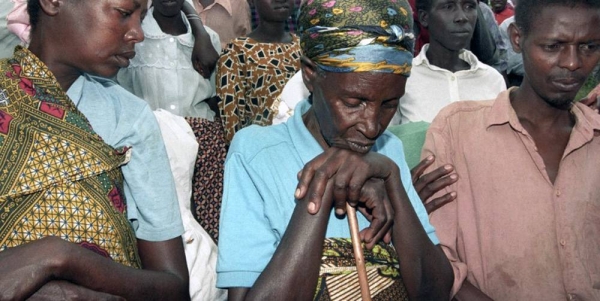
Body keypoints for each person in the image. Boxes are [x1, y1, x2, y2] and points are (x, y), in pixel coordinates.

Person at [216, 0, 454, 300]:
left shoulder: (388, 151)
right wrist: (326, 181)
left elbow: (435, 292)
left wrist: (391, 177)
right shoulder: (255, 153)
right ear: (310, 74)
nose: (371, 127)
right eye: (354, 103)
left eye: (389, 105)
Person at [0, 0, 190, 299]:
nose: (138, 34)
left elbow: (174, 287)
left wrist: (60, 258)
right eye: (125, 13)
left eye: (143, 17)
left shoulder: (130, 117)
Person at [420, 0, 600, 299]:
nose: (572, 63)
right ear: (517, 38)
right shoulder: (456, 130)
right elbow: (437, 256)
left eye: (590, 47)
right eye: (553, 46)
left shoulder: (594, 135)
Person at [115, 0, 227, 299]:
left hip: (205, 149)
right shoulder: (133, 37)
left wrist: (200, 32)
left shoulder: (208, 39)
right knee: (162, 232)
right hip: (153, 149)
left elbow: (215, 99)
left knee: (207, 234)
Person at [392, 0, 506, 125]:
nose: (462, 17)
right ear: (424, 17)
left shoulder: (492, 80)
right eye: (448, 7)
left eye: (469, 6)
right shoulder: (403, 80)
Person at [216, 0, 301, 143]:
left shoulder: (303, 47)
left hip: (303, 146)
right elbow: (232, 121)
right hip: (260, 150)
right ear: (253, 2)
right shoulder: (237, 52)